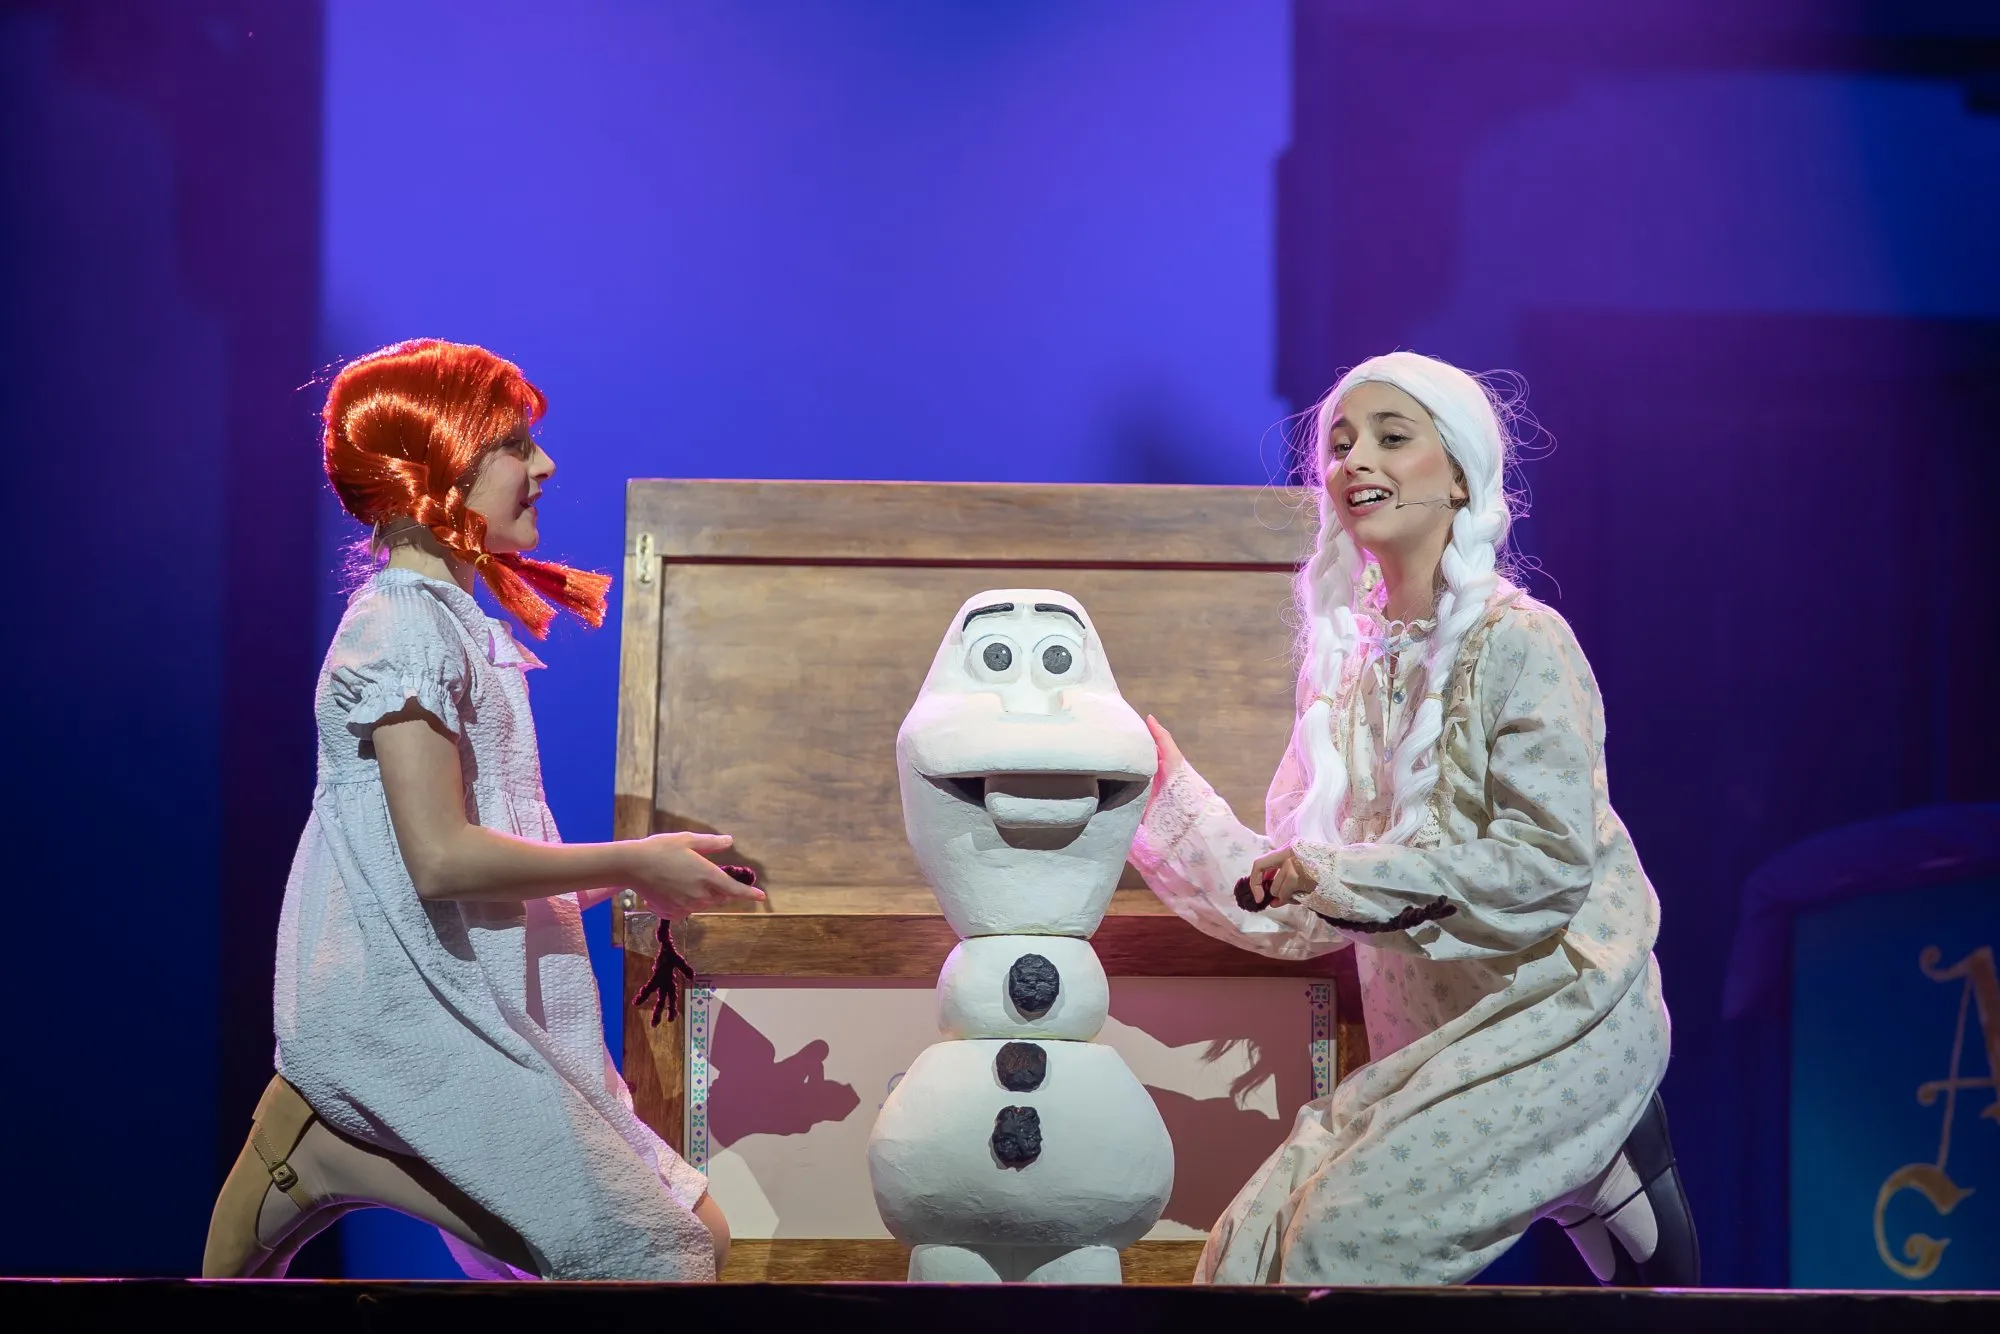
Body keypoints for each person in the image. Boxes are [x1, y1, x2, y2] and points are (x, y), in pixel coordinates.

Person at [1131, 352, 1698, 1286]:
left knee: (1337, 1251)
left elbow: (1545, 870)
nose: (1359, 461)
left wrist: (1341, 875)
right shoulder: (1342, 670)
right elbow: (1300, 898)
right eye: (1343, 444)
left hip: (1555, 1020)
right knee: (1247, 1257)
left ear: (1461, 475)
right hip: (1429, 1046)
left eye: (1395, 438)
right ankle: (1601, 1170)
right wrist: (1160, 799)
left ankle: (1611, 1136)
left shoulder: (1524, 643)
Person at [202, 339, 760, 1280]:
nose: (543, 467)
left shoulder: (453, 624)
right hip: (403, 1013)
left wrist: (650, 880)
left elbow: (455, 878)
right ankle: (334, 1141)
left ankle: (355, 1149)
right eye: (512, 445)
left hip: (473, 990)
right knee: (649, 1255)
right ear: (439, 466)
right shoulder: (401, 626)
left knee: (694, 1230)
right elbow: (442, 862)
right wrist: (631, 861)